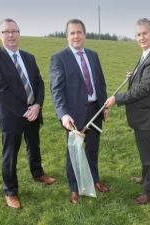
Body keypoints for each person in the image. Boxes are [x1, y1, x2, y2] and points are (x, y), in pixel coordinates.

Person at [0, 18, 55, 209]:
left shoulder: (29, 57)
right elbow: (1, 92)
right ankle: (10, 191)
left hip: (33, 111)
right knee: (10, 154)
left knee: (34, 145)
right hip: (11, 116)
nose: (11, 35)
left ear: (19, 33)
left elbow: (39, 83)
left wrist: (38, 105)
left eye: (14, 31)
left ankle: (38, 173)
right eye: (6, 31)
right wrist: (26, 111)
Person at [105, 18, 150, 205]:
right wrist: (134, 75)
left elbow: (144, 89)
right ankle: (146, 177)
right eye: (138, 34)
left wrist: (117, 99)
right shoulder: (147, 54)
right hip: (144, 114)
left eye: (145, 33)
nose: (141, 37)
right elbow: (144, 78)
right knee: (146, 151)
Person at [50, 19, 109, 204]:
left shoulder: (93, 55)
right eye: (72, 33)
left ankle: (95, 179)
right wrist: (63, 114)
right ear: (67, 36)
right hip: (73, 116)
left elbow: (100, 82)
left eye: (79, 32)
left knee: (93, 149)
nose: (76, 36)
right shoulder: (59, 58)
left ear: (84, 34)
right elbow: (57, 90)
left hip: (95, 111)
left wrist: (104, 106)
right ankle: (74, 188)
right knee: (74, 153)